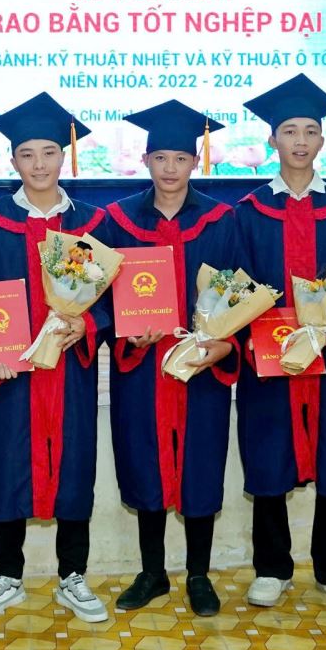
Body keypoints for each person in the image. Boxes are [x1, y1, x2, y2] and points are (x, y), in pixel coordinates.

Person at [233, 74, 326, 610]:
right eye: (289, 131)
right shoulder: (248, 211)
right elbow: (234, 285)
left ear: (323, 139)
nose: (300, 140)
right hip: (269, 358)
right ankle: (271, 566)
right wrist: (248, 328)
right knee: (269, 451)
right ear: (272, 139)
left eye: (310, 131)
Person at [0, 93, 110, 624]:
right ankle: (7, 574)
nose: (40, 164)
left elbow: (110, 298)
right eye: (27, 154)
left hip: (69, 368)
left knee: (73, 463)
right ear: (13, 160)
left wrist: (87, 325)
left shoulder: (92, 221)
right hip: (11, 373)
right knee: (8, 461)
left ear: (64, 157)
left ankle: (73, 575)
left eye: (49, 152)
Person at [97, 100, 240, 617]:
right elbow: (99, 295)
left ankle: (199, 574)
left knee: (200, 464)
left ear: (195, 162)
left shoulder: (222, 219)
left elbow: (240, 291)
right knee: (145, 464)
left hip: (201, 366)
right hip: (141, 368)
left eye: (181, 158)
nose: (170, 169)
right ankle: (152, 572)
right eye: (161, 158)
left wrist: (224, 344)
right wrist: (126, 336)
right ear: (146, 161)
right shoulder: (116, 220)